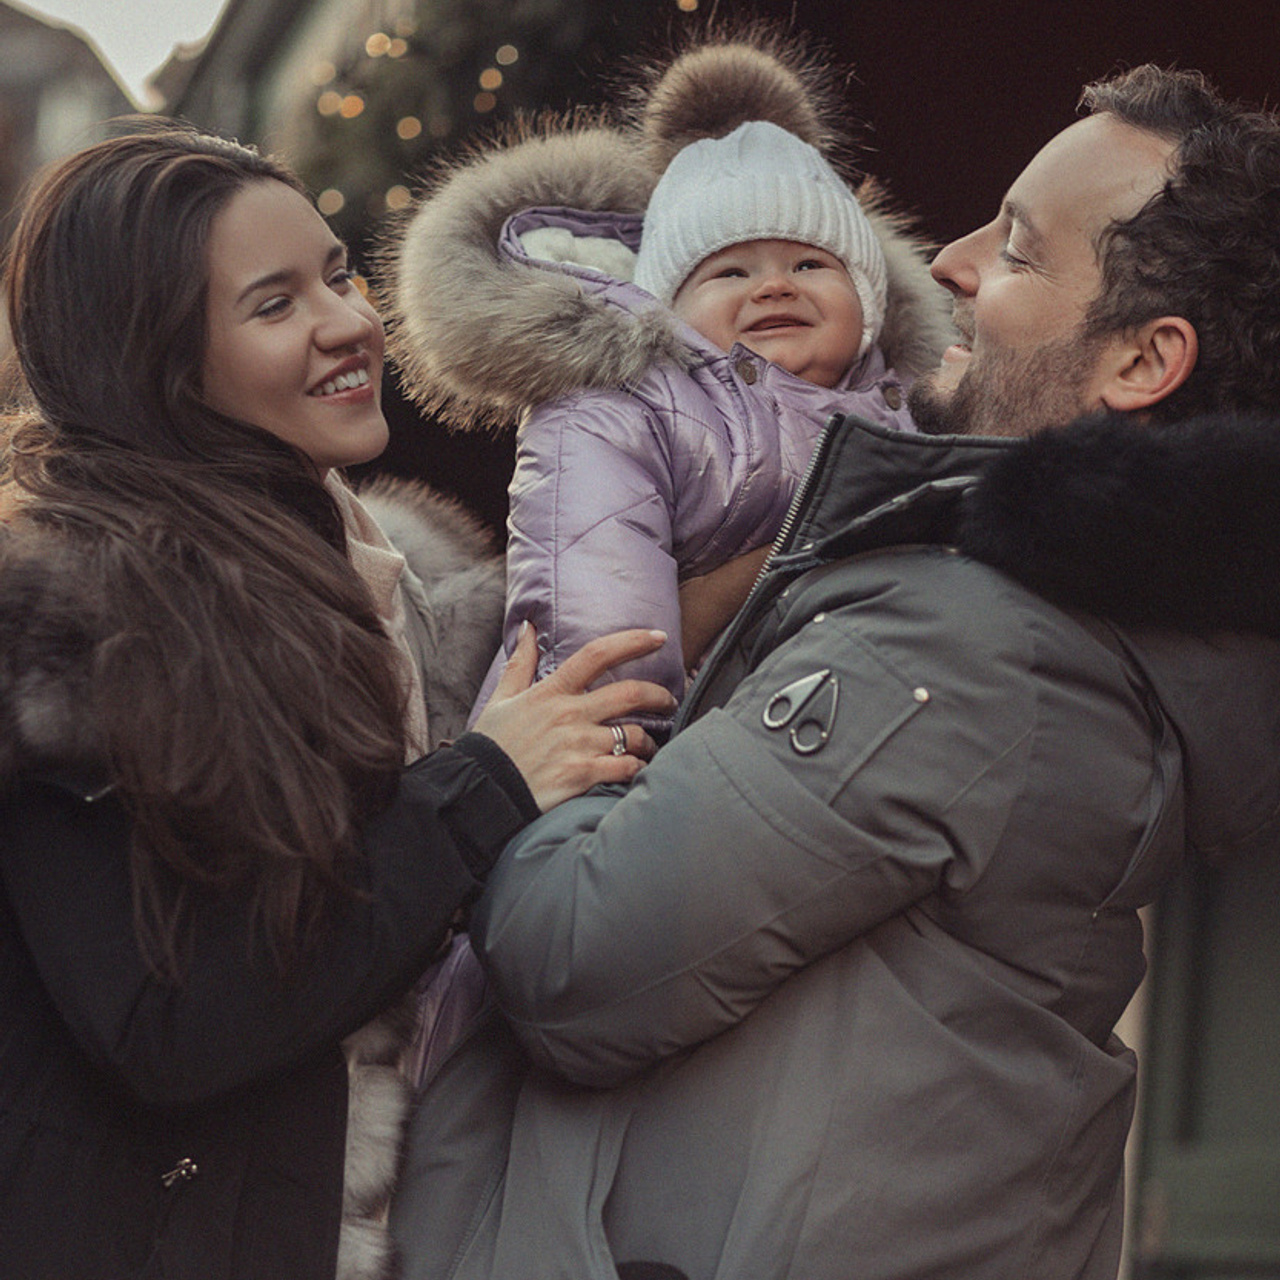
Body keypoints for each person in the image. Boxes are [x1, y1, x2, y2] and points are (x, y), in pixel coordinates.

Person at [389, 64, 1280, 1280]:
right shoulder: (1066, 625)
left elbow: (572, 958)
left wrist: (516, 759)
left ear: (1140, 362)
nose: (948, 259)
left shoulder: (970, 646)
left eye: (1016, 247)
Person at [0, 124, 675, 1280]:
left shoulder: (381, 594)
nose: (348, 322)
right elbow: (165, 1021)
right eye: (273, 304)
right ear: (155, 359)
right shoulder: (77, 614)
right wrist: (481, 786)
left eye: (337, 272)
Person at [387, 34, 953, 728]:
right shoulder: (622, 410)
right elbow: (593, 608)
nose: (774, 285)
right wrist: (614, 751)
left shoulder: (917, 405)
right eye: (729, 272)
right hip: (679, 744)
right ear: (671, 311)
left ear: (868, 304)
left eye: (810, 265)